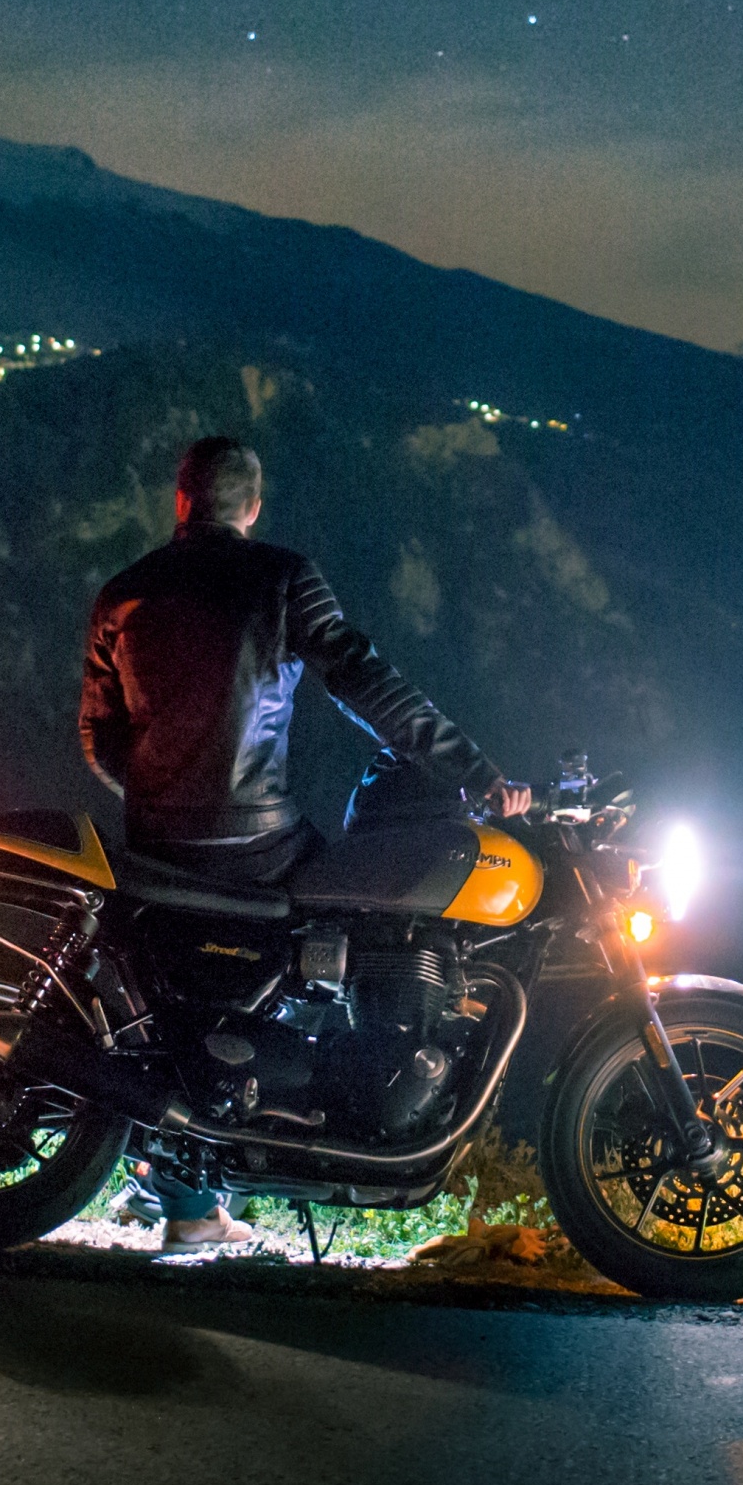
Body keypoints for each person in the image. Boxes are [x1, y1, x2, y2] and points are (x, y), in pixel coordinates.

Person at [79, 433, 529, 1250]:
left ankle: (169, 1184)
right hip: (256, 840)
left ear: (180, 502)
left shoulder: (123, 592)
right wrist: (477, 772)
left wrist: (159, 799)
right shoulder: (282, 578)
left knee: (190, 990)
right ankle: (244, 1172)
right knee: (359, 929)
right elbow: (367, 684)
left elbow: (98, 738)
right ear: (251, 507)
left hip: (151, 845)